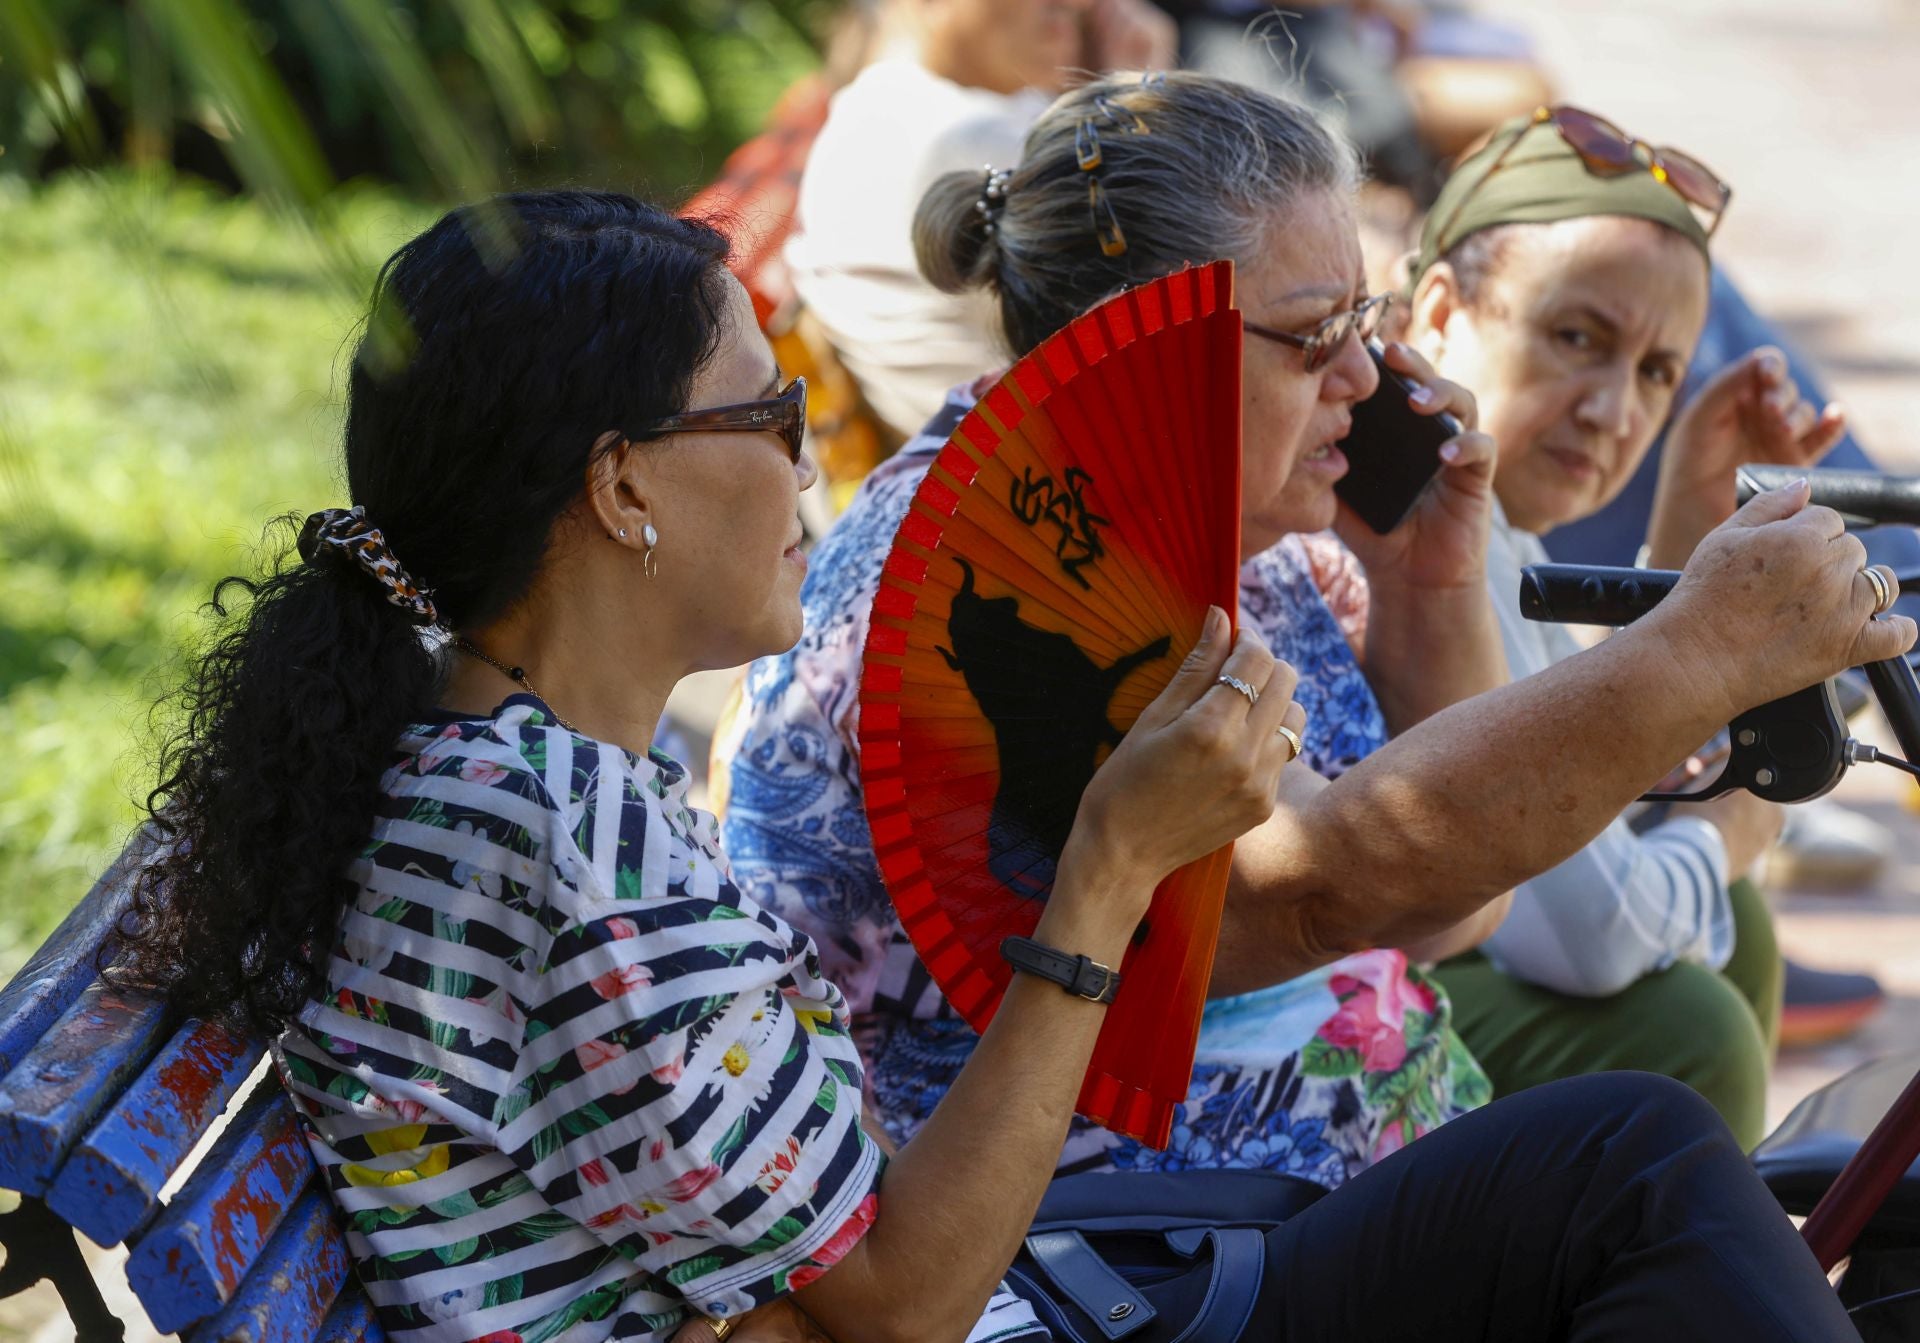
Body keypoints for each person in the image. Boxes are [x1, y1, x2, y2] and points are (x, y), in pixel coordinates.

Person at [113, 186, 1890, 1343]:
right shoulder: (555, 834)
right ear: (621, 484)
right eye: (767, 414)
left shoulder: (507, 774)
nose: (810, 461)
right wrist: (1110, 865)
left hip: (1045, 1278)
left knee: (1633, 1158)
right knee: (1641, 1163)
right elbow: (902, 1295)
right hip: (1002, 1298)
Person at [716, 68, 1906, 1183]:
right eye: (1315, 336)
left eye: (1364, 321)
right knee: (1660, 1140)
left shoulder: (1249, 527)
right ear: (1140, 342)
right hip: (1102, 1234)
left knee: (1697, 1112)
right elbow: (1319, 889)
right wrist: (1701, 651)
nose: (1365, 380)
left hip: (1296, 1169)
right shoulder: (1008, 557)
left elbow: (1460, 911)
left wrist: (1430, 579)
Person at [1385, 105, 1847, 1144]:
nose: (1613, 411)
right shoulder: (1421, 517)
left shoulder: (1482, 519)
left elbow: (1560, 766)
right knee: (1686, 1025)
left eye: (1654, 372)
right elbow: (1588, 931)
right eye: (1577, 338)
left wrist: (1683, 557)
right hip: (1292, 1017)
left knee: (1731, 931)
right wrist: (1726, 829)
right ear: (1441, 312)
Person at [787, 0, 1176, 442]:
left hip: (1031, 450)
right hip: (1061, 456)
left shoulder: (890, 110)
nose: (1077, 4)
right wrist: (1143, 92)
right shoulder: (952, 136)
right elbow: (1184, 279)